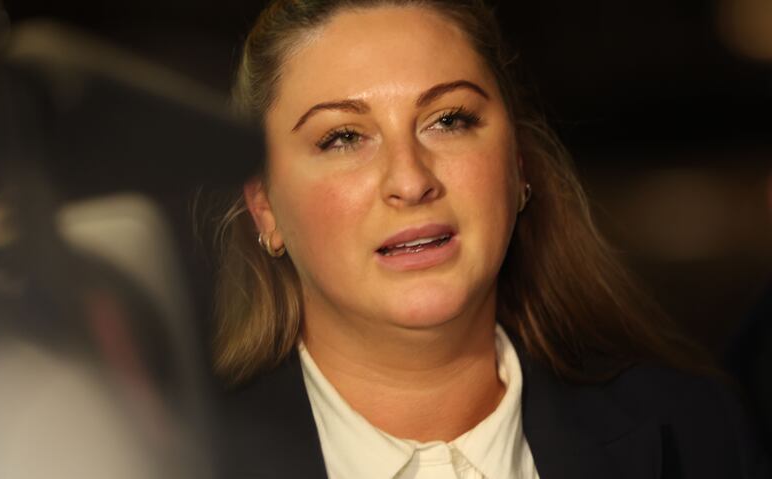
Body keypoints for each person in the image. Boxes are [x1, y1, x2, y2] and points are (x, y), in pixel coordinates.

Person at [212, 1, 770, 477]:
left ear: (518, 165)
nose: (410, 180)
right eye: (342, 137)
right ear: (264, 207)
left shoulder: (696, 432)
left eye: (449, 120)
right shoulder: (162, 455)